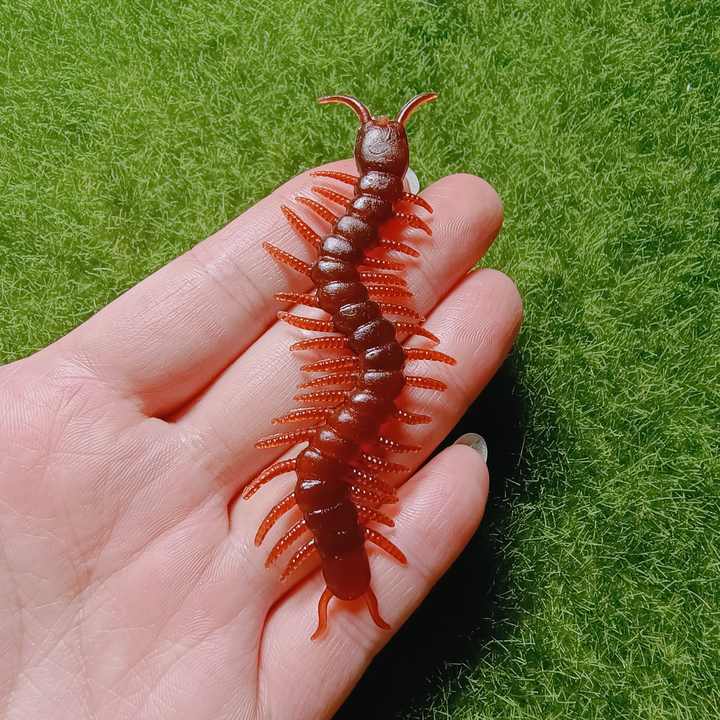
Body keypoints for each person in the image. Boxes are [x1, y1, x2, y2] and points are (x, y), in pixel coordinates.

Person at [0, 160, 522, 719]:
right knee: (355, 398)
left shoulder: (327, 467)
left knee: (361, 387)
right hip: (355, 344)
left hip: (358, 336)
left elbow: (360, 333)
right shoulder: (324, 476)